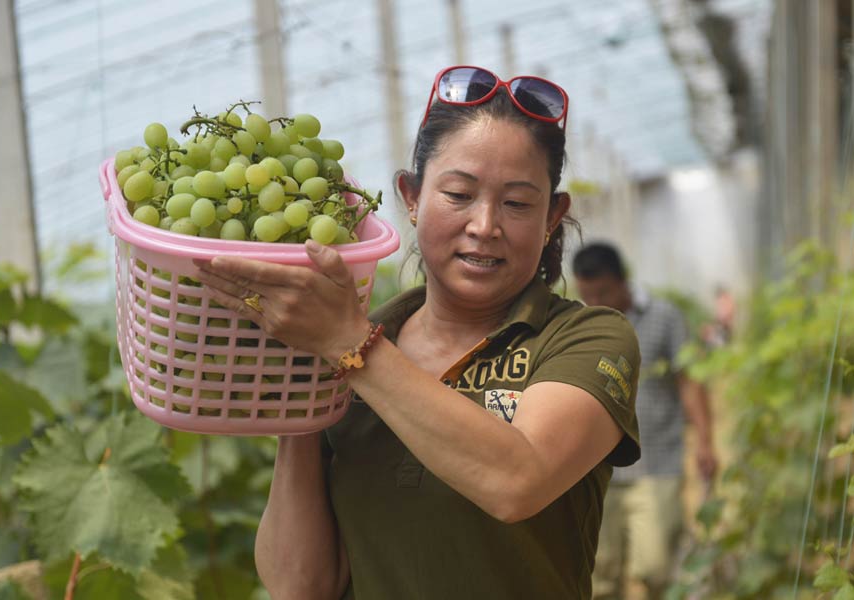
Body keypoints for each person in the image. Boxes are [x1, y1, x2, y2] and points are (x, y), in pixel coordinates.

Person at [195, 65, 642, 599]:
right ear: (410, 197)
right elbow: (300, 586)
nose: (485, 226)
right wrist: (305, 393)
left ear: (553, 216)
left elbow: (516, 481)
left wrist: (349, 347)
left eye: (518, 203)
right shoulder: (352, 344)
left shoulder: (586, 338)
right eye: (458, 194)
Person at [571, 242, 718, 600]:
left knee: (655, 566)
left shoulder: (665, 317)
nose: (595, 301)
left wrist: (705, 441)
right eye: (587, 294)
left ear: (623, 281)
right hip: (598, 470)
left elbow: (688, 381)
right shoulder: (580, 326)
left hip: (656, 462)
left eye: (603, 291)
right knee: (599, 573)